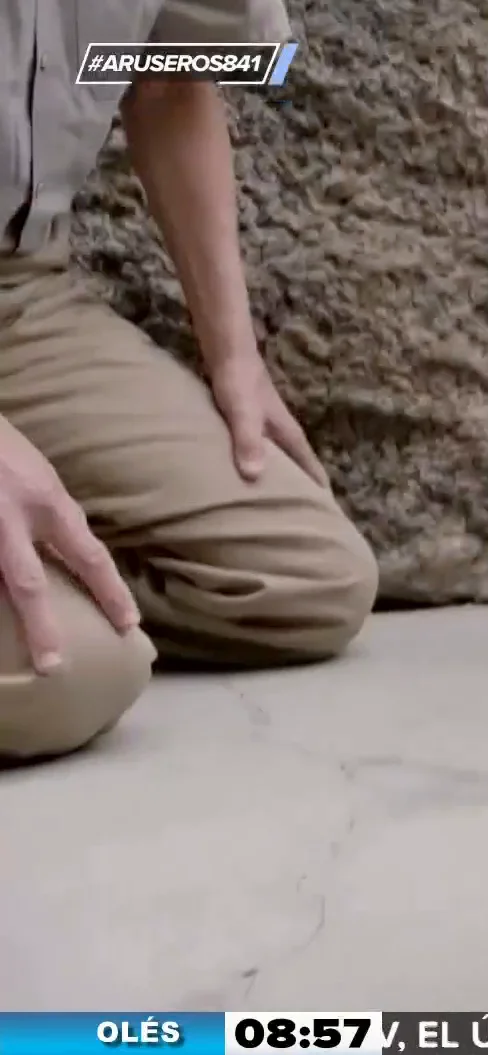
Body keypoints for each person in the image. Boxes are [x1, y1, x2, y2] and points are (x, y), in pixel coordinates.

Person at [1, 0, 379, 761]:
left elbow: (170, 75)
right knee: (68, 673)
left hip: (23, 293)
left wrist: (235, 357)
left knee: (304, 579)